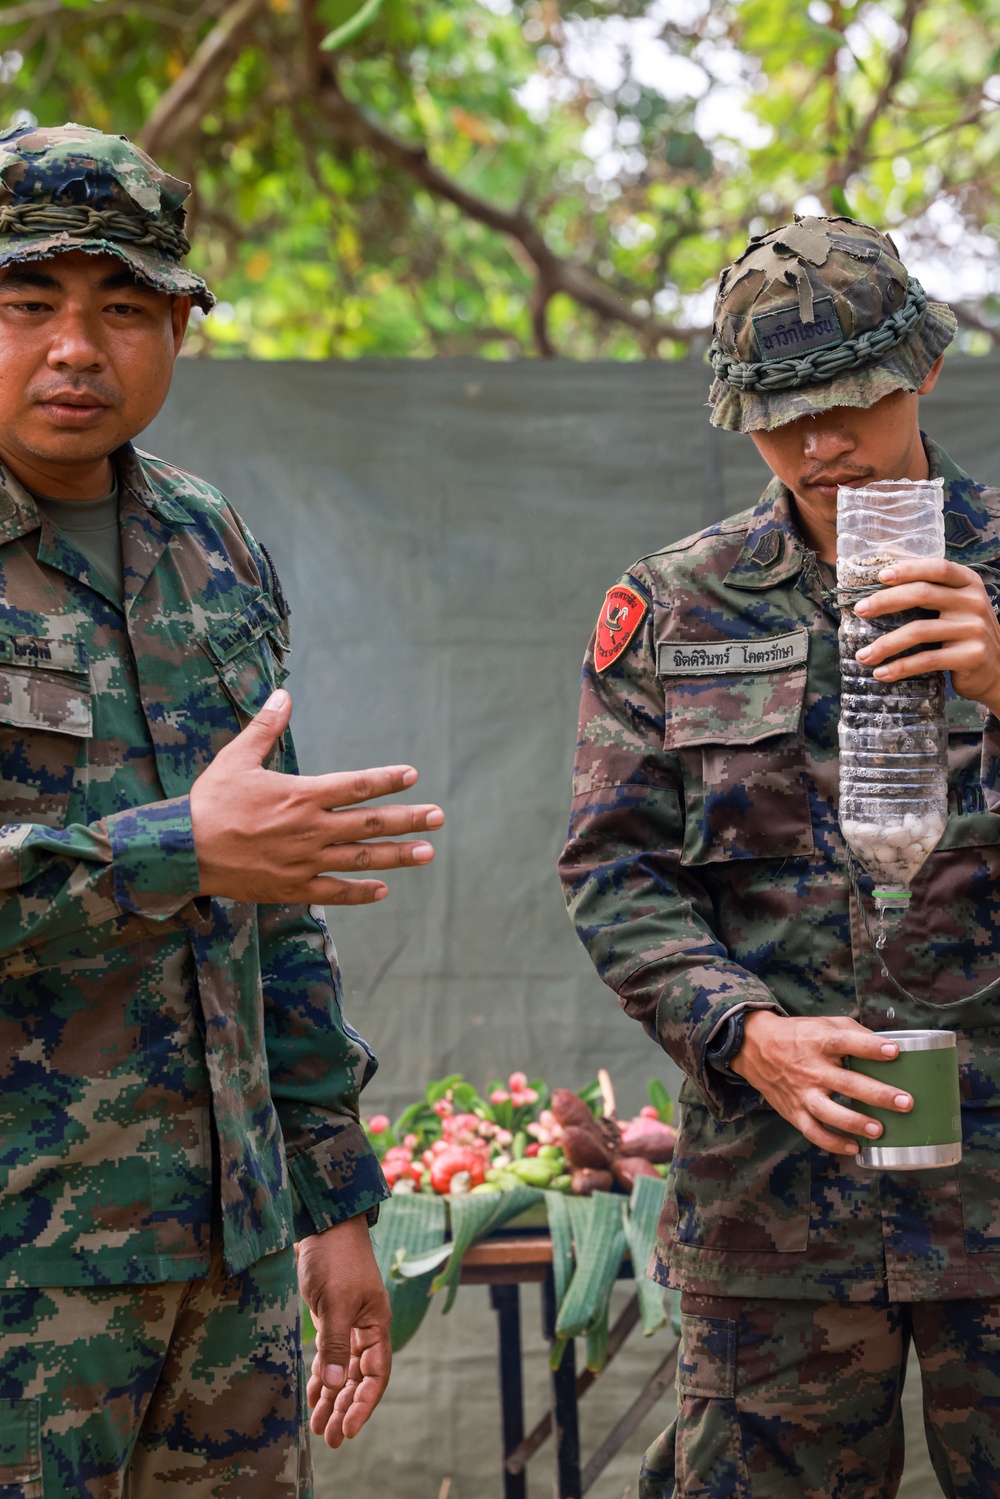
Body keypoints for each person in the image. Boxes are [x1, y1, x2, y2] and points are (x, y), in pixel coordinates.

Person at [0, 123, 443, 1497]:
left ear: (181, 329)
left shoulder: (208, 541)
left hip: (226, 1262)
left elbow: (278, 890)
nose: (78, 347)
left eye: (124, 308)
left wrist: (334, 1196)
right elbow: (212, 849)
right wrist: (169, 850)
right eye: (27, 305)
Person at [558, 214, 1000, 1498]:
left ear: (922, 368)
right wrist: (746, 1033)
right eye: (778, 408)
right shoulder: (675, 605)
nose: (820, 443)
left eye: (850, 398)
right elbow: (613, 871)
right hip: (777, 1208)